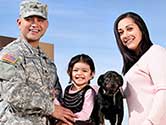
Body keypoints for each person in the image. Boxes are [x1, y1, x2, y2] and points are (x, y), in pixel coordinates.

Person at [0, 0, 75, 125]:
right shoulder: (10, 55)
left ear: (46, 24)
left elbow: (56, 95)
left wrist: (61, 118)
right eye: (29, 19)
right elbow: (13, 93)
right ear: (19, 23)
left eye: (40, 20)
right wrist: (52, 109)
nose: (35, 24)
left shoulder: (47, 62)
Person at [114, 11, 166, 125]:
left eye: (130, 29)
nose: (125, 35)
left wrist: (150, 122)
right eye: (121, 32)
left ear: (141, 29)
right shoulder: (131, 69)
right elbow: (120, 92)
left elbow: (163, 90)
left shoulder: (156, 52)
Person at [54, 54, 96, 125]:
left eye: (84, 71)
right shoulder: (68, 89)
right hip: (67, 120)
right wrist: (54, 99)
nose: (79, 73)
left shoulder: (89, 92)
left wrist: (70, 119)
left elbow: (85, 114)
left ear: (92, 74)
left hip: (82, 122)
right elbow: (63, 105)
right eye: (76, 70)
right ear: (69, 72)